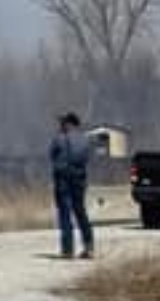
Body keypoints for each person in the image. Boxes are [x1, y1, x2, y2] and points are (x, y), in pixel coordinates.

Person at [51, 111, 95, 259]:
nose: (60, 125)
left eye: (63, 123)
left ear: (68, 123)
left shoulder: (59, 138)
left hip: (62, 178)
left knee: (65, 213)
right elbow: (87, 158)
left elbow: (52, 155)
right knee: (81, 212)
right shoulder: (85, 140)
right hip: (79, 179)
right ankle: (89, 247)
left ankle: (68, 249)